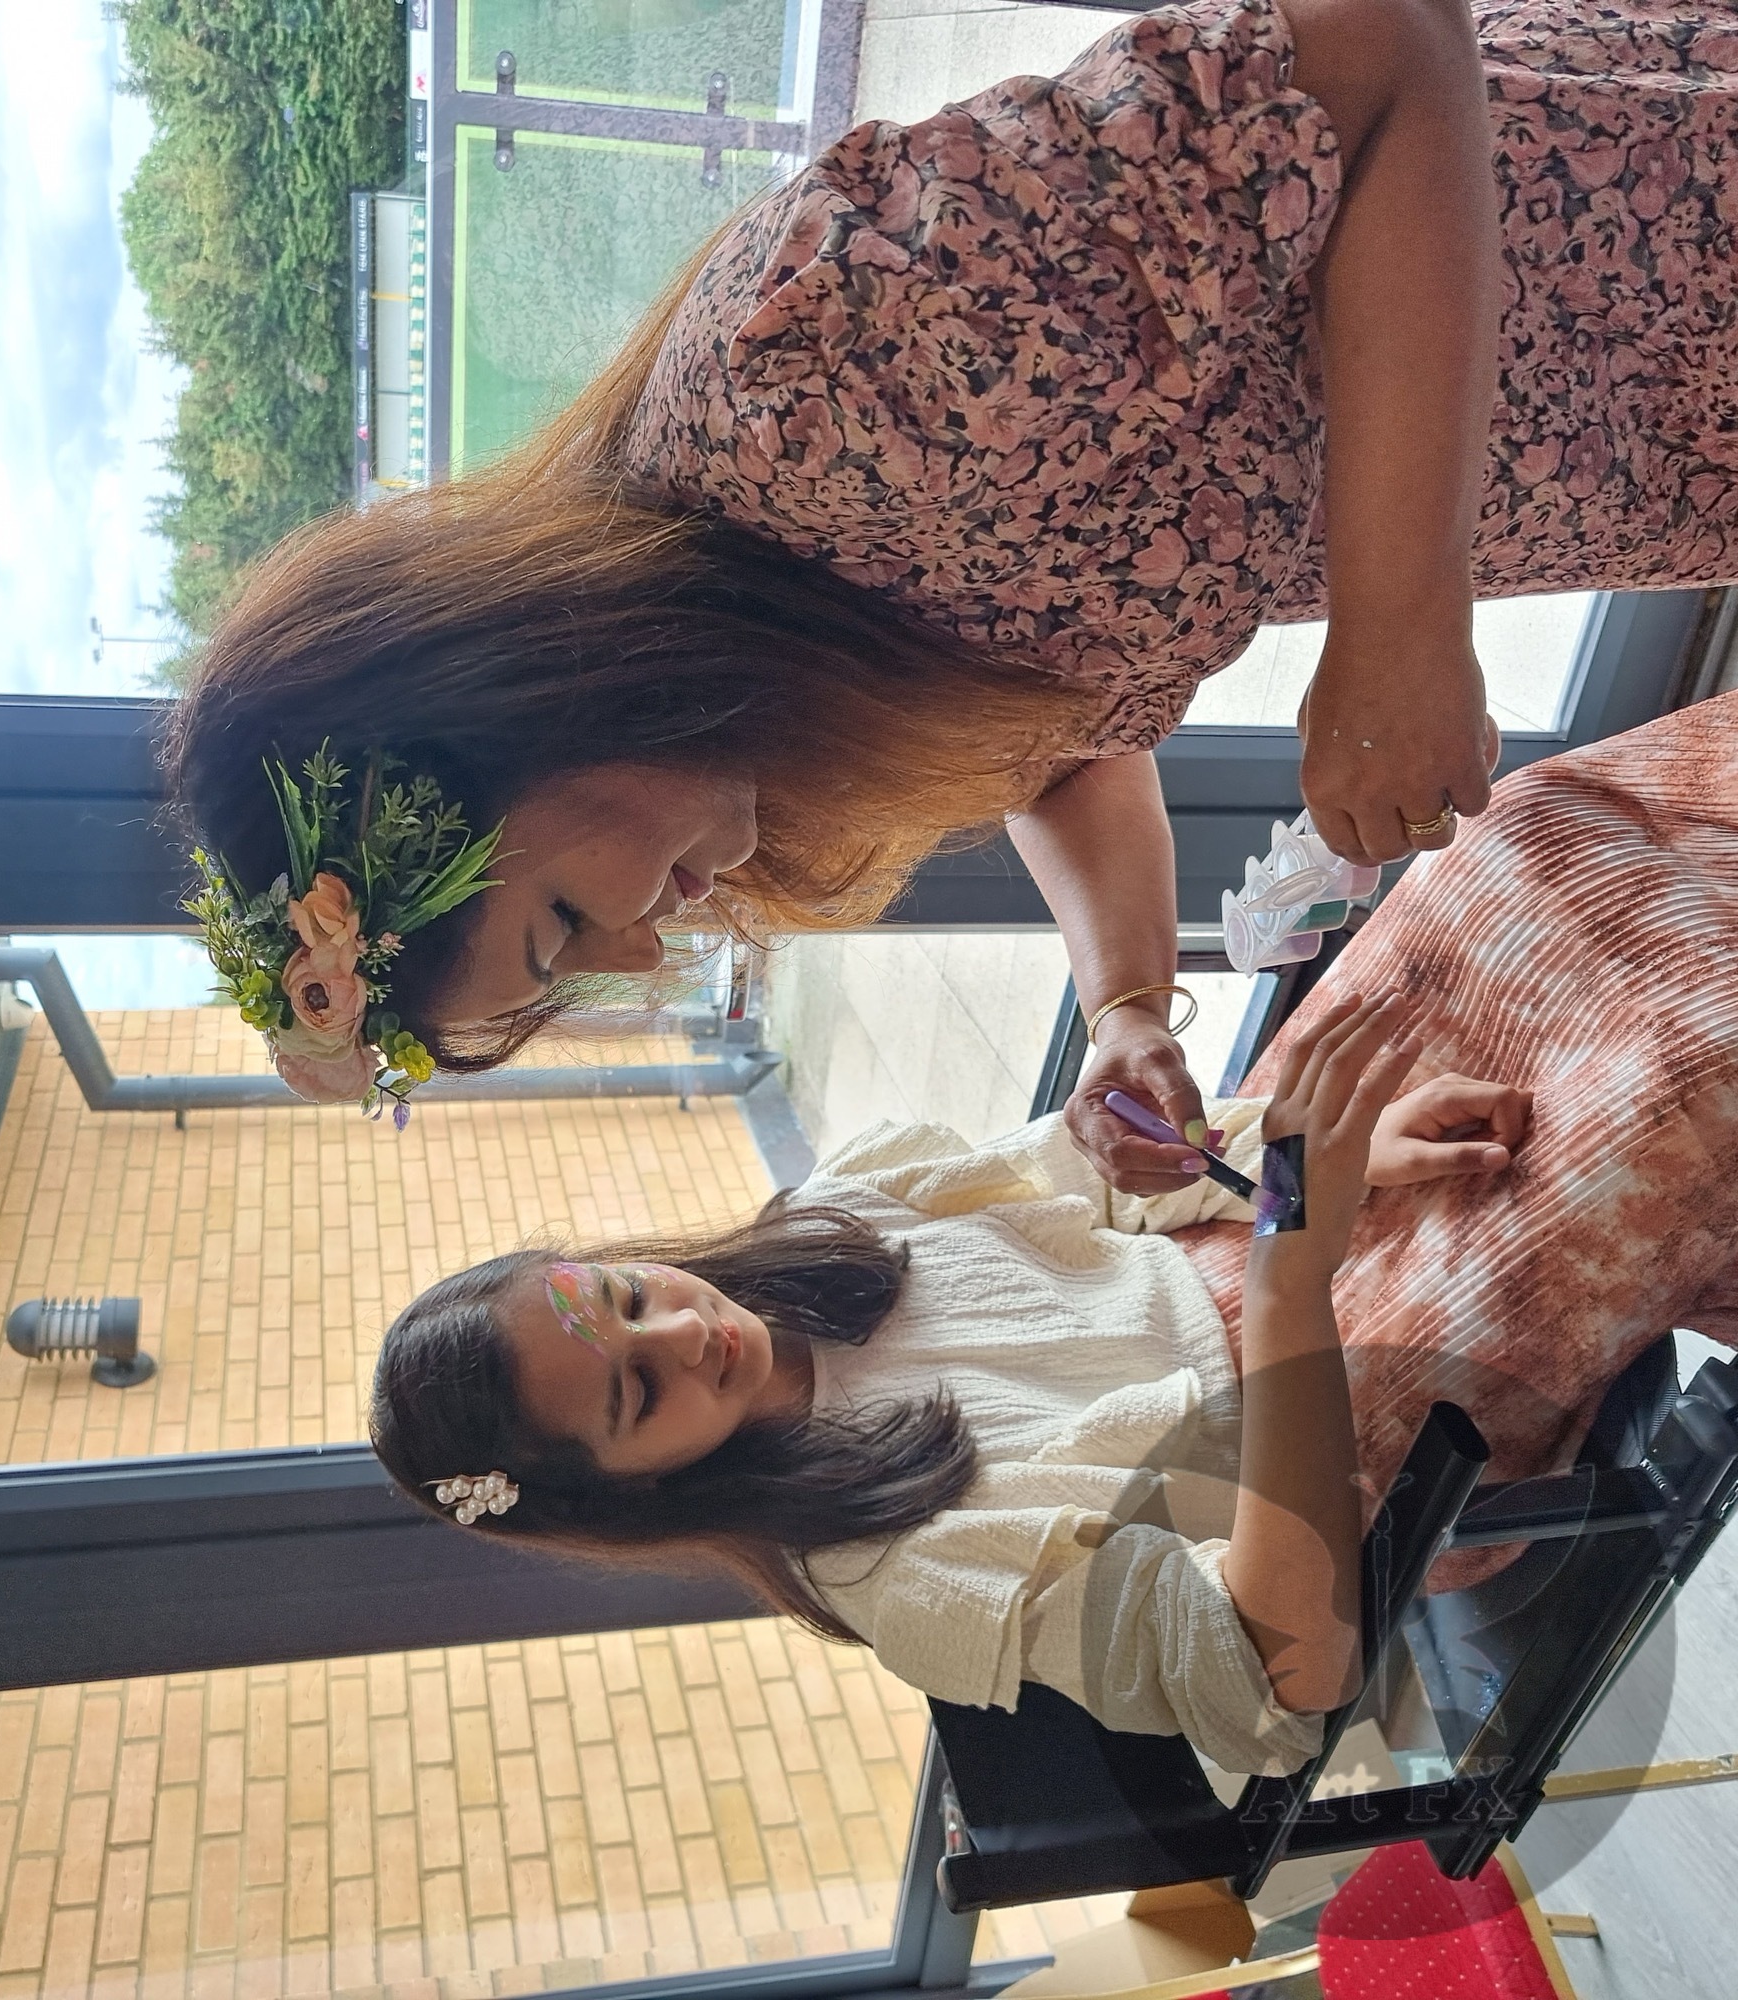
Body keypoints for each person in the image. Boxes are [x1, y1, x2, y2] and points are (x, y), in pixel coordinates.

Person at [168, 0, 1738, 1191]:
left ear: (515, 700)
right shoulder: (780, 703)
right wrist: (1127, 1002)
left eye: (566, 921)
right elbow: (1056, 747)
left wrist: (1402, 620)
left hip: (1651, 244)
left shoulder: (831, 370)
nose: (643, 954)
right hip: (1636, 462)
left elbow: (1382, 45)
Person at [367, 694, 1738, 1776]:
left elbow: (1130, 1183)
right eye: (637, 1387)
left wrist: (1327, 1164)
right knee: (1683, 1078)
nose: (687, 1331)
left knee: (1529, 837)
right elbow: (1282, 1672)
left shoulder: (842, 1218)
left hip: (1283, 1235)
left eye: (628, 1294)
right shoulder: (903, 1573)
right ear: (626, 1490)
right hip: (1346, 1433)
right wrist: (1289, 1276)